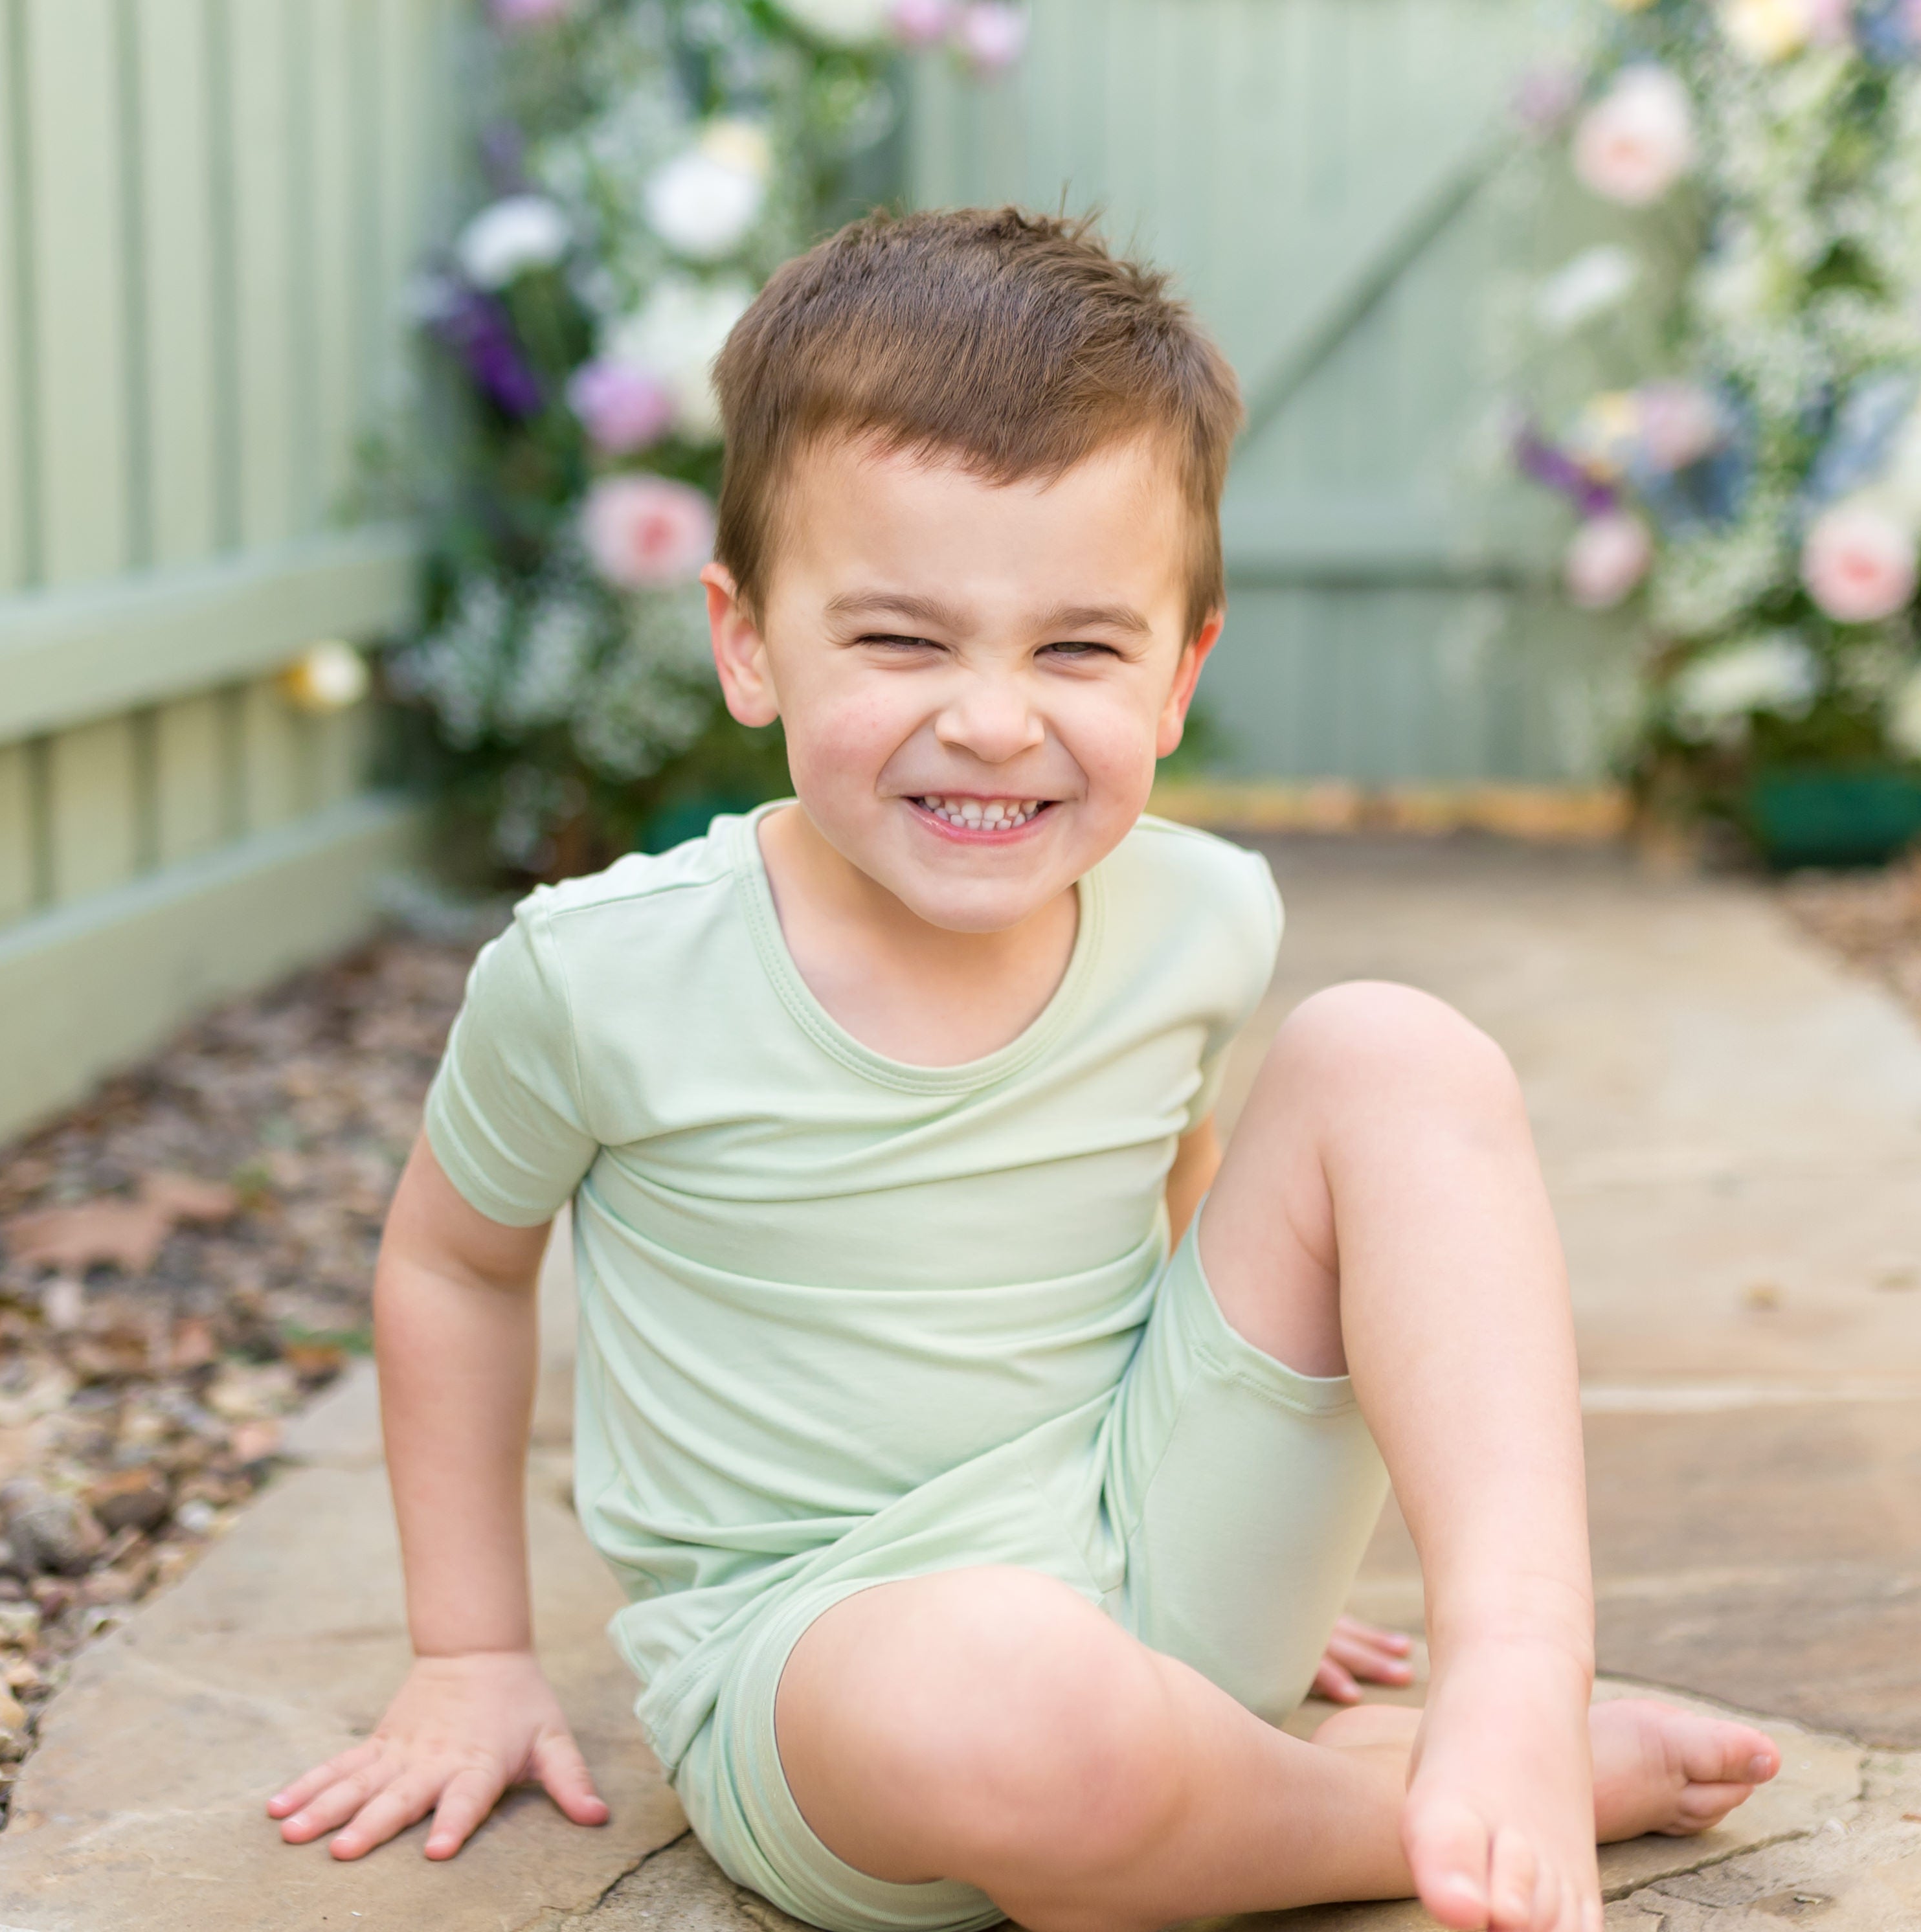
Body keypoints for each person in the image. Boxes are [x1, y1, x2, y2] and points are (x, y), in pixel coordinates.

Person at [268, 208, 1779, 1932]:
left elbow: (1197, 1199)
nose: (993, 719)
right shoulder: (603, 973)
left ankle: (1513, 1679)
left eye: (1077, 649)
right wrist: (470, 1654)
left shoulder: (1197, 915)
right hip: (843, 1671)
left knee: (1393, 1052)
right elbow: (454, 1268)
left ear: (1180, 672)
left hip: (1154, 1539)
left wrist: (1251, 1483)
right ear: (749, 640)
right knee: (1009, 1696)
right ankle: (1378, 1808)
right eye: (903, 640)